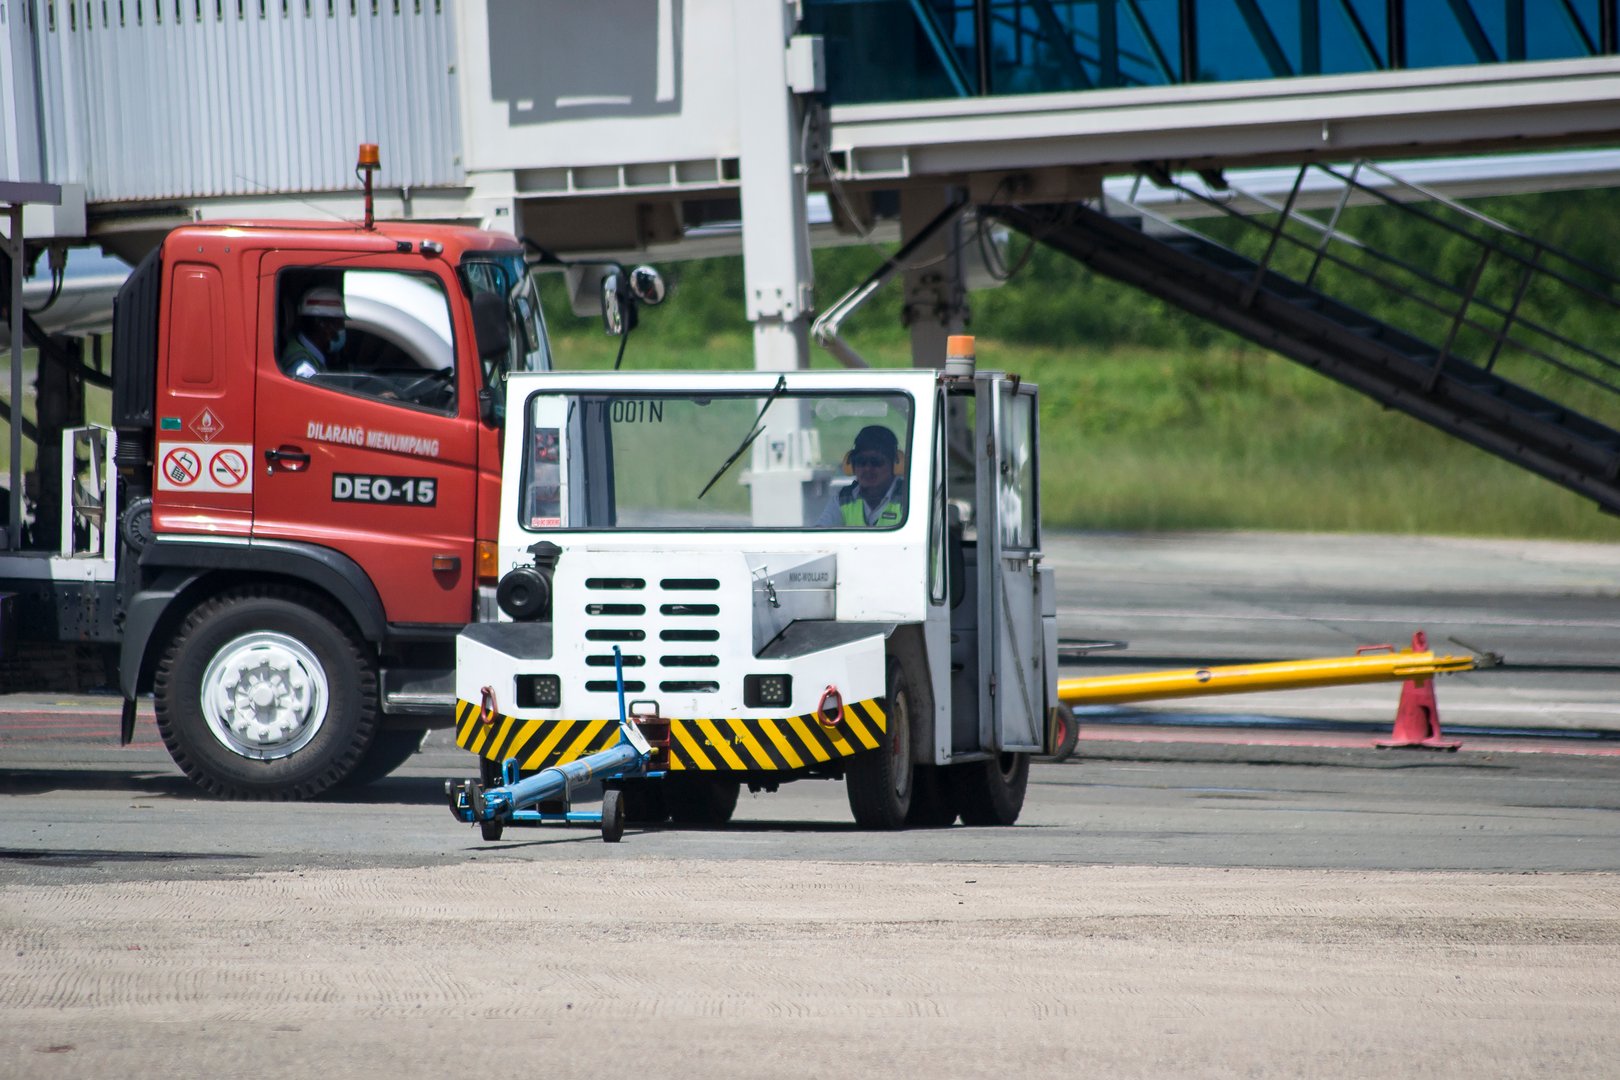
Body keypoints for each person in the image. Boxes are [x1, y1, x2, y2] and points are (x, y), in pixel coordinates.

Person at [817, 425, 905, 527]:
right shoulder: (843, 499)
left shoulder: (908, 498)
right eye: (861, 462)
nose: (867, 468)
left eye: (876, 462)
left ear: (894, 464)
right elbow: (820, 534)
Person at [281, 286, 347, 379]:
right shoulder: (303, 368)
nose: (342, 330)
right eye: (339, 325)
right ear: (323, 325)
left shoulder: (299, 347)